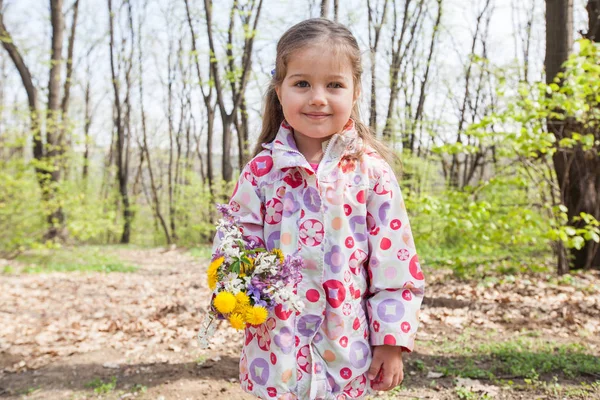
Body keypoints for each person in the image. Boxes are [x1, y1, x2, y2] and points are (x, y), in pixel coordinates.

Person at [215, 18, 425, 400]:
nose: (317, 97)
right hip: (275, 346)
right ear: (279, 91)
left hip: (347, 345)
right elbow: (234, 246)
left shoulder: (371, 172)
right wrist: (236, 294)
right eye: (301, 84)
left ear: (355, 92)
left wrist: (391, 341)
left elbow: (395, 262)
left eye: (334, 85)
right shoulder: (261, 173)